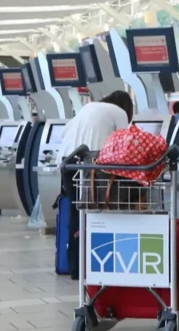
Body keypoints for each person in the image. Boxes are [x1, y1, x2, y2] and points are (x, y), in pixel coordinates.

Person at [57, 91, 135, 279]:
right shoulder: (119, 112)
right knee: (99, 213)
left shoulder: (88, 107)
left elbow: (63, 132)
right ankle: (95, 264)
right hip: (93, 167)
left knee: (77, 213)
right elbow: (125, 143)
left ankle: (75, 267)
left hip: (68, 164)